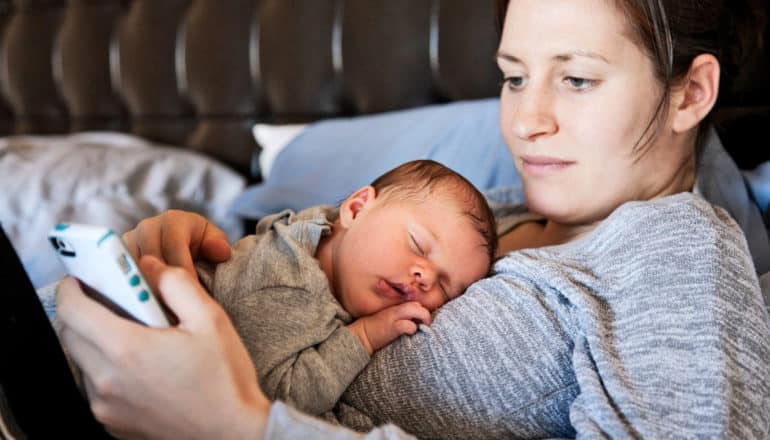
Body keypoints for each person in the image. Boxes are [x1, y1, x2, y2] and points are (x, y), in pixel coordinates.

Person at [55, 0, 770, 438]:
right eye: (515, 76)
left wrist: (236, 428)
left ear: (690, 93)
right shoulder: (483, 211)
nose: (525, 122)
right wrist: (178, 260)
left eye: (576, 79)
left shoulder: (678, 250)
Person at [194, 159, 495, 415]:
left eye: (444, 287)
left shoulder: (334, 251)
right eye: (417, 244)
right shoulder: (288, 278)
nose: (425, 277)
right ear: (357, 208)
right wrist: (363, 336)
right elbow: (277, 403)